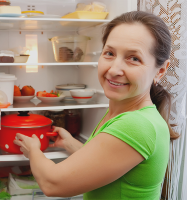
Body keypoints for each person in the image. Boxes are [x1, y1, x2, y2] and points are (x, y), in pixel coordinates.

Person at [13, 11, 179, 200]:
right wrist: (70, 144)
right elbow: (107, 163)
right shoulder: (126, 113)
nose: (114, 69)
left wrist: (33, 150)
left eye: (134, 58)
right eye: (109, 53)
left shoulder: (136, 125)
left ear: (161, 71)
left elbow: (52, 183)